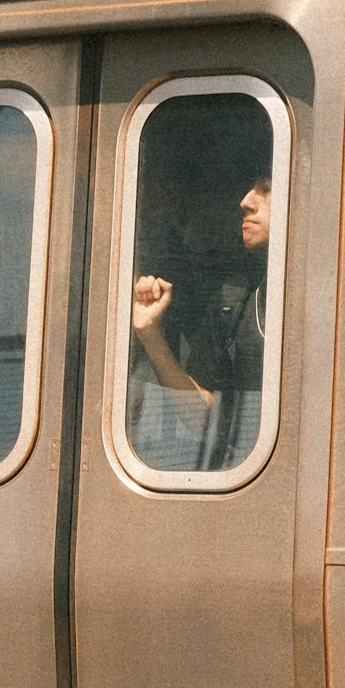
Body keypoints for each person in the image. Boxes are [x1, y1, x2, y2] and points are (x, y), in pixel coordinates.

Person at [130, 174, 271, 471]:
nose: (246, 202)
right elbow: (201, 417)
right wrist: (149, 331)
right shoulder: (235, 302)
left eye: (266, 189)